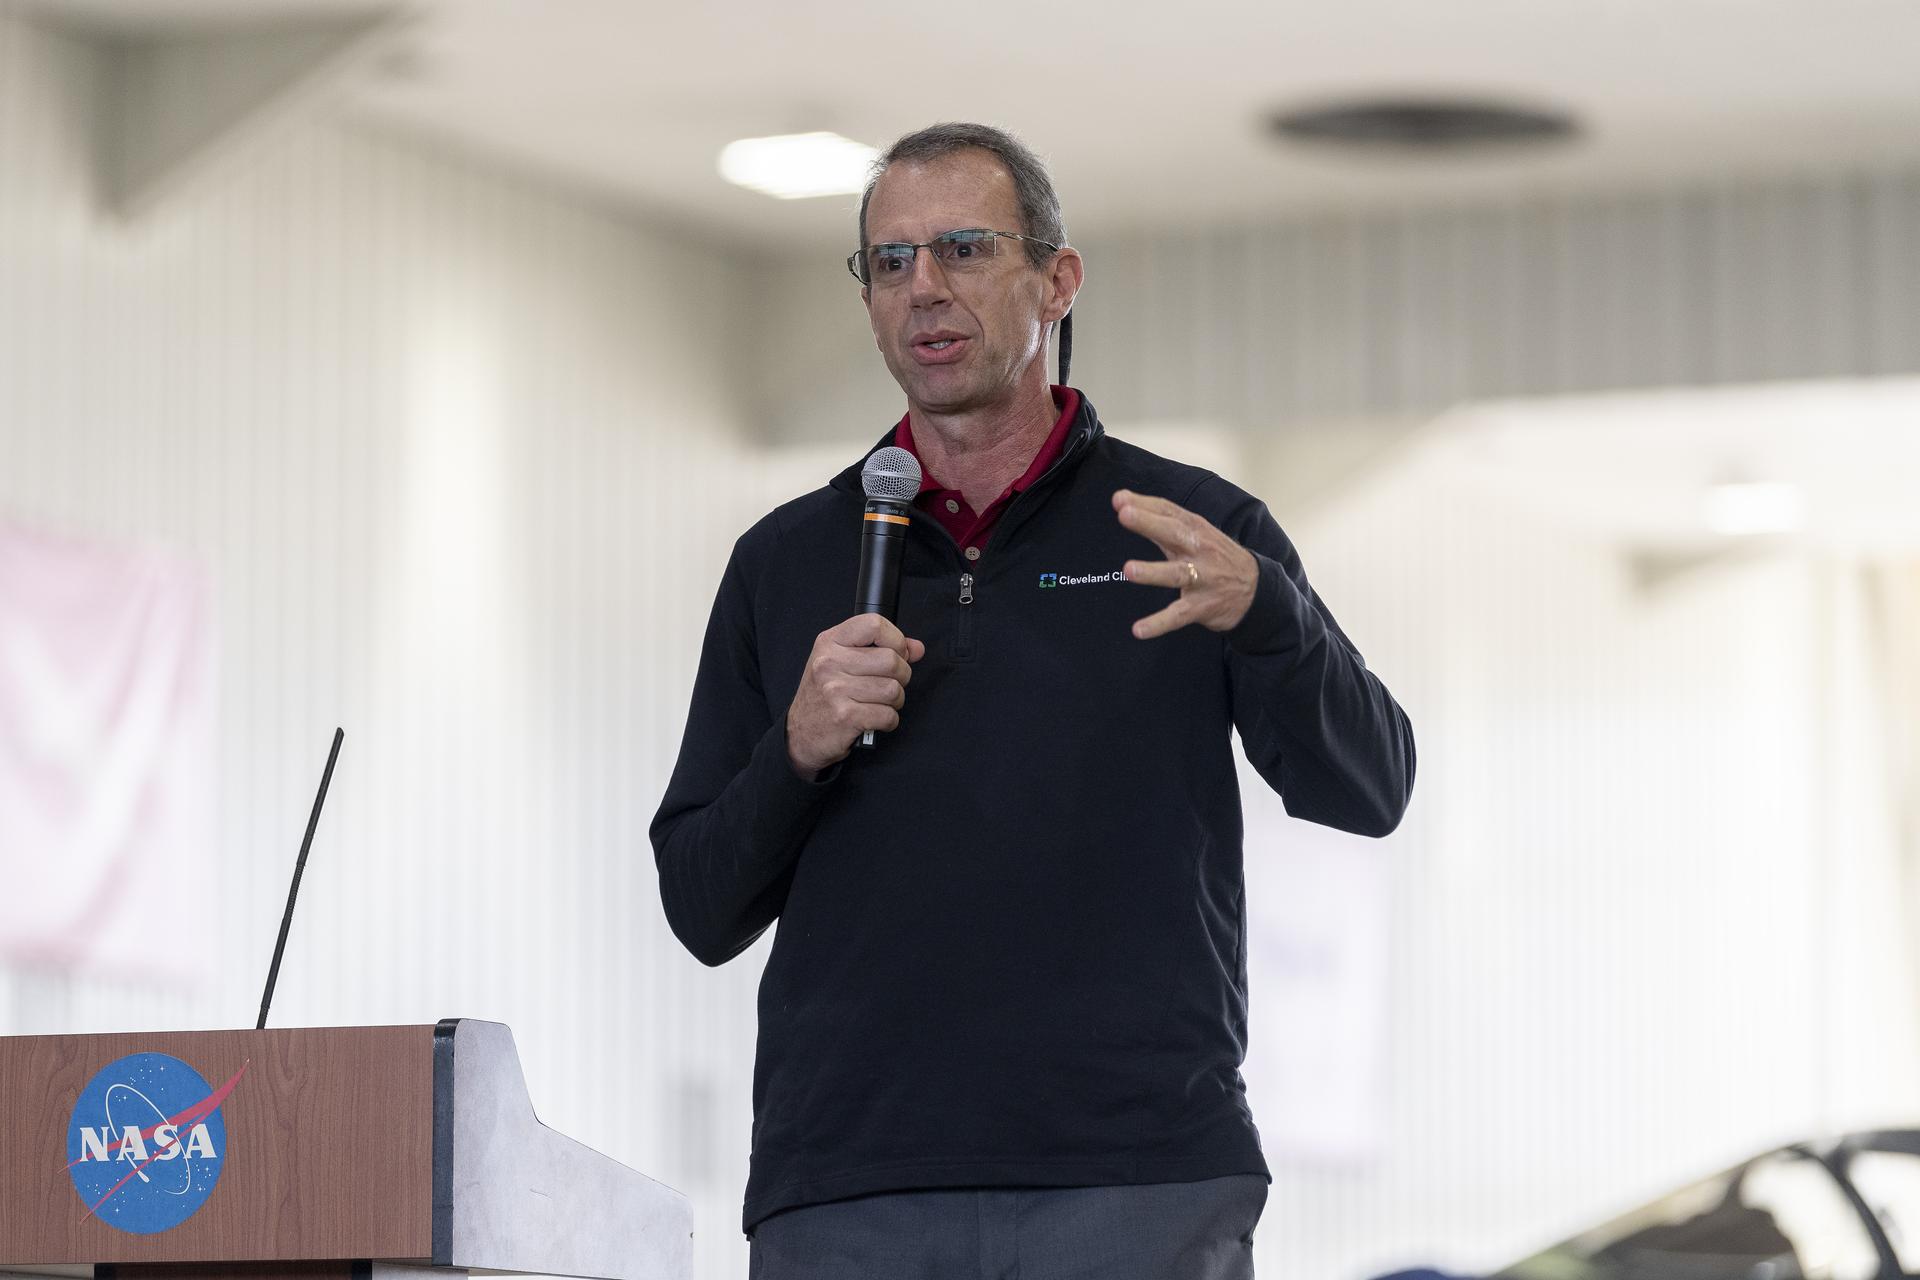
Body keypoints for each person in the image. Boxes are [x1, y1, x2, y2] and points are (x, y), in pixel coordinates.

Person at [651, 122, 1415, 1279]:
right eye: (891, 261)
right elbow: (700, 905)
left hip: (1135, 1179)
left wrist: (1271, 615)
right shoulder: (786, 559)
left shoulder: (1191, 532)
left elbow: (1370, 788)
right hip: (853, 1186)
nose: (925, 290)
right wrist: (796, 748)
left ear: (1057, 278)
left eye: (962, 247)